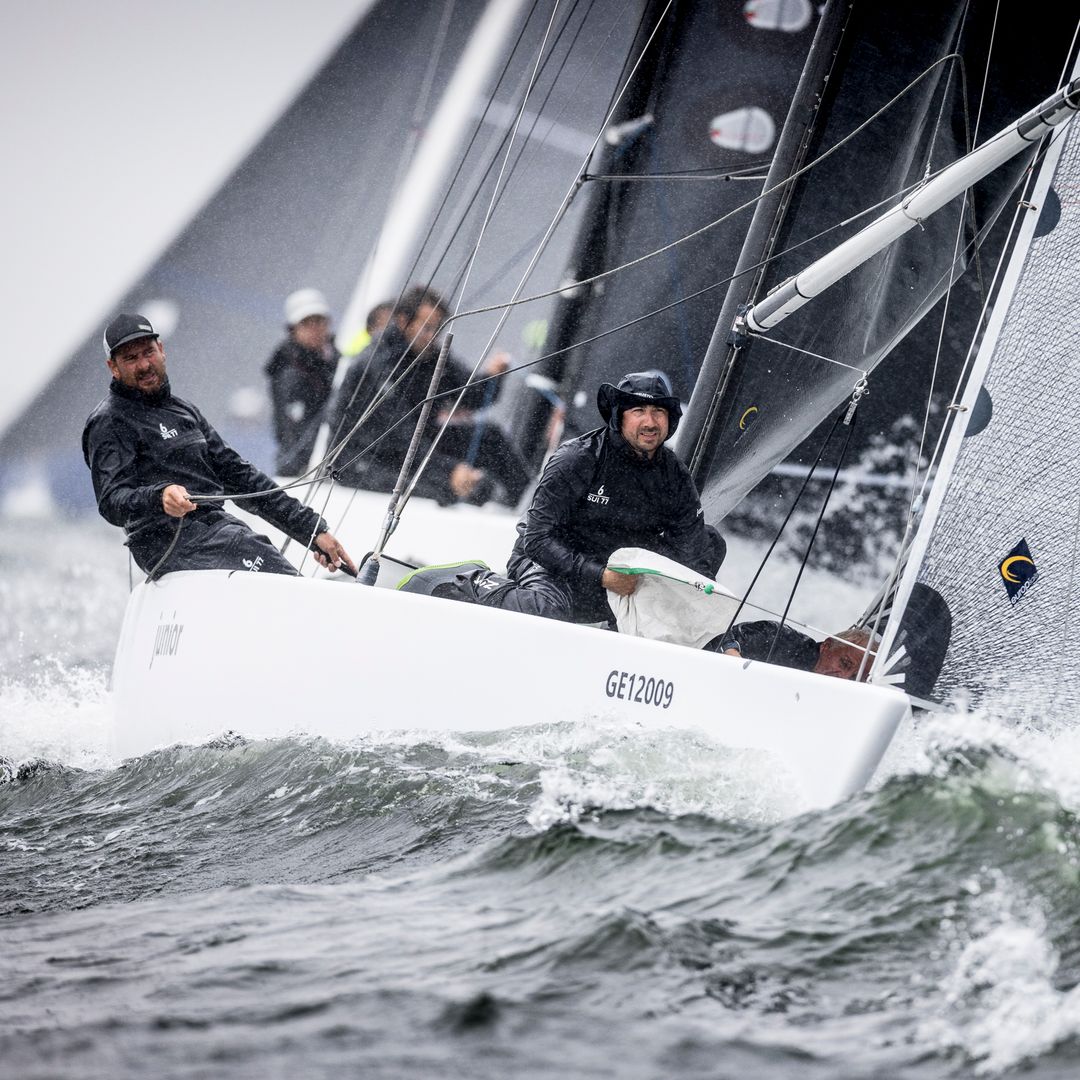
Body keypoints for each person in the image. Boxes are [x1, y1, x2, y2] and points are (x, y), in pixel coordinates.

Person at [410, 370, 726, 625]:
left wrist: (706, 620)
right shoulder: (577, 458)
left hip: (618, 578)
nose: (650, 421)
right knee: (547, 610)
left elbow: (694, 554)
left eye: (659, 412)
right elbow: (535, 539)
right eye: (639, 411)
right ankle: (470, 582)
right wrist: (600, 575)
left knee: (710, 542)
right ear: (619, 416)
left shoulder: (674, 475)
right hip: (552, 567)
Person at [83, 312, 355, 578]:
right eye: (130, 358)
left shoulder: (184, 411)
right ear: (113, 368)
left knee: (262, 551)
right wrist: (159, 497)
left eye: (148, 352)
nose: (143, 365)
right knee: (281, 578)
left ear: (162, 350)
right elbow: (111, 501)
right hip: (166, 545)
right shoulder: (109, 421)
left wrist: (313, 532)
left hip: (216, 532)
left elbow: (242, 478)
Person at [327, 284, 530, 507]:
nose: (432, 336)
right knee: (445, 489)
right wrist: (450, 469)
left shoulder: (431, 356)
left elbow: (470, 397)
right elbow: (399, 433)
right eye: (426, 327)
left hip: (414, 444)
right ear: (404, 322)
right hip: (362, 457)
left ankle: (533, 504)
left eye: (437, 329)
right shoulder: (378, 361)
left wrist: (493, 376)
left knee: (490, 438)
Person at [264, 287, 339, 476]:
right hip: (300, 470)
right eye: (306, 323)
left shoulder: (337, 361)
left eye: (319, 321)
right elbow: (294, 432)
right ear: (293, 329)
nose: (315, 328)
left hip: (329, 462)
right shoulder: (287, 372)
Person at [710, 622, 878, 680]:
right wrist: (738, 666)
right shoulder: (778, 637)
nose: (844, 676)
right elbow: (720, 638)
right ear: (826, 645)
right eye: (845, 663)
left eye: (855, 677)